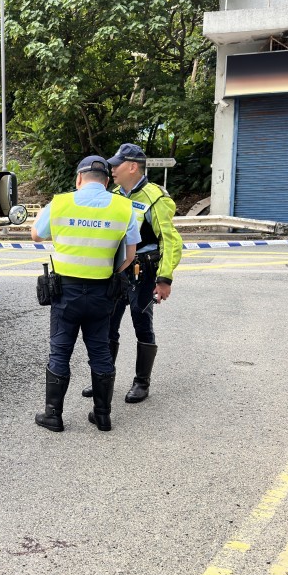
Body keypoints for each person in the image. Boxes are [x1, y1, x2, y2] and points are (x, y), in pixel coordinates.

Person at [32, 155, 139, 432]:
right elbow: (129, 256)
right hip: (102, 292)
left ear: (79, 179)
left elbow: (36, 235)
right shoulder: (124, 207)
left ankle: (53, 416)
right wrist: (107, 270)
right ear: (106, 181)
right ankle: (102, 416)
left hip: (65, 293)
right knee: (100, 352)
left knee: (60, 352)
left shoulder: (60, 203)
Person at [81, 143, 182, 404]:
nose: (112, 169)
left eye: (117, 164)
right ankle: (105, 378)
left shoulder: (156, 198)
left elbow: (170, 241)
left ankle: (141, 382)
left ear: (133, 167)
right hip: (118, 271)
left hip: (145, 271)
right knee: (108, 324)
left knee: (141, 322)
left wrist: (164, 279)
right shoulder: (113, 196)